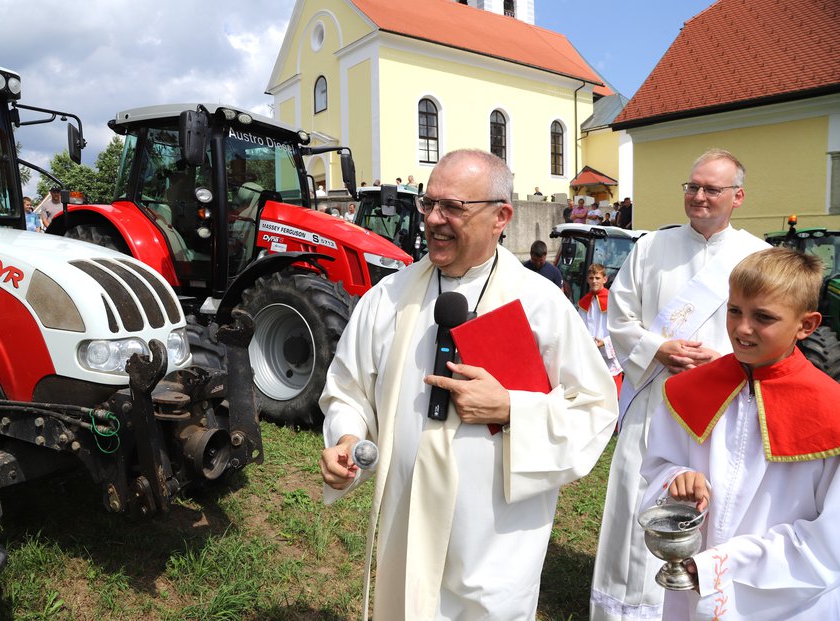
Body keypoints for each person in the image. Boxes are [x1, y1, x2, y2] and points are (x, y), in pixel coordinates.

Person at [319, 149, 617, 620]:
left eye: (453, 207)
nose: (434, 219)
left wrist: (512, 409)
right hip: (408, 518)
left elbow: (596, 408)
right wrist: (347, 437)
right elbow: (349, 388)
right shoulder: (387, 298)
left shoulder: (541, 306)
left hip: (494, 537)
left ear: (501, 216)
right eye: (428, 203)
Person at [590, 148, 771, 621]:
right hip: (655, 399)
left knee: (711, 505)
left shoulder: (758, 256)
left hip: (723, 406)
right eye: (692, 186)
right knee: (639, 498)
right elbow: (621, 317)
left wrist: (728, 361)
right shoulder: (651, 248)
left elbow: (774, 332)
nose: (699, 196)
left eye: (712, 189)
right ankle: (627, 609)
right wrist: (657, 348)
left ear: (738, 196)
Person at [641, 247, 840, 619]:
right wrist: (675, 478)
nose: (741, 328)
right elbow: (657, 465)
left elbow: (831, 539)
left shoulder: (833, 412)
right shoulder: (688, 390)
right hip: (695, 585)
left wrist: (724, 563)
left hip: (783, 598)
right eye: (735, 310)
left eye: (762, 317)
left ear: (807, 325)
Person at [578, 264, 622, 395]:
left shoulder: (613, 301)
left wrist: (605, 343)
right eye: (591, 278)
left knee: (613, 397)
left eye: (597, 277)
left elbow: (620, 329)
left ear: (605, 279)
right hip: (590, 358)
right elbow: (579, 328)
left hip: (609, 359)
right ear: (587, 280)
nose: (594, 281)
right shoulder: (583, 303)